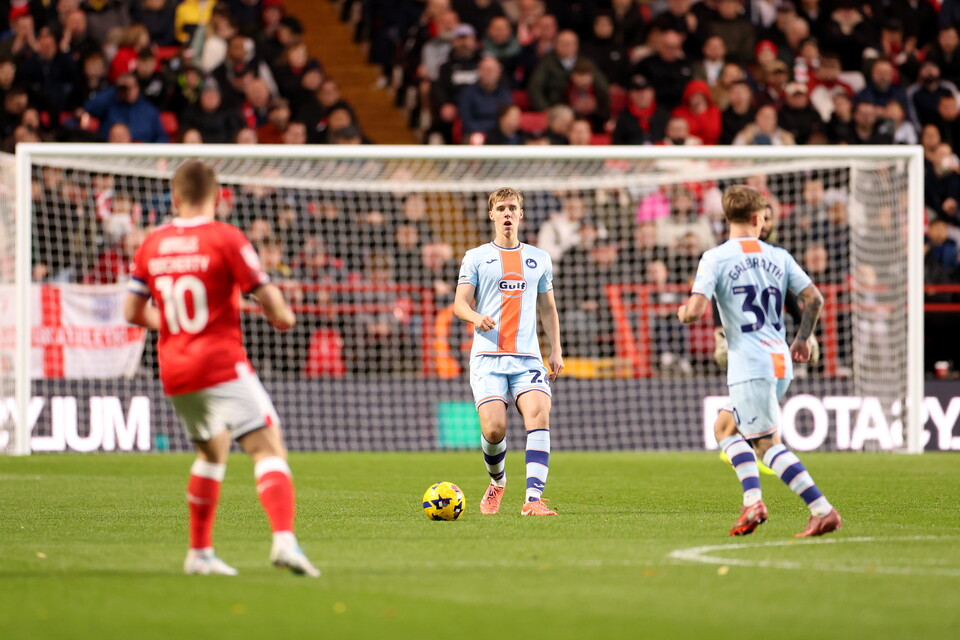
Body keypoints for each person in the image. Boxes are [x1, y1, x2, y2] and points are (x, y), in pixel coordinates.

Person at [122, 160, 320, 577]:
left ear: (175, 198)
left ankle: (199, 553)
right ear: (217, 197)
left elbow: (131, 311)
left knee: (212, 452)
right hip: (219, 362)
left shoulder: (152, 243)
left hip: (175, 370)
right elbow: (272, 303)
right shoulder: (225, 237)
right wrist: (283, 317)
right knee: (267, 446)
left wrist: (175, 328)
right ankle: (284, 541)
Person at [677, 185, 841, 538]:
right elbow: (814, 299)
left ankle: (822, 509)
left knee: (767, 444)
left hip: (750, 363)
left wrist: (682, 312)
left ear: (727, 219)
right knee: (725, 427)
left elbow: (694, 312)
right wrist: (802, 339)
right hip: (780, 357)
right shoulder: (779, 256)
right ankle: (752, 502)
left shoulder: (715, 257)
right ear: (757, 219)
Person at [454, 187, 564, 517]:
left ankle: (533, 499)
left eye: (512, 208)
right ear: (491, 215)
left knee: (539, 414)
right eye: (500, 208)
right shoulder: (475, 257)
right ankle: (498, 481)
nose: (506, 213)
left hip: (527, 357)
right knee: (493, 429)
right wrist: (476, 317)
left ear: (520, 214)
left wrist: (556, 349)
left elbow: (548, 308)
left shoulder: (539, 259)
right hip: (487, 358)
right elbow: (460, 303)